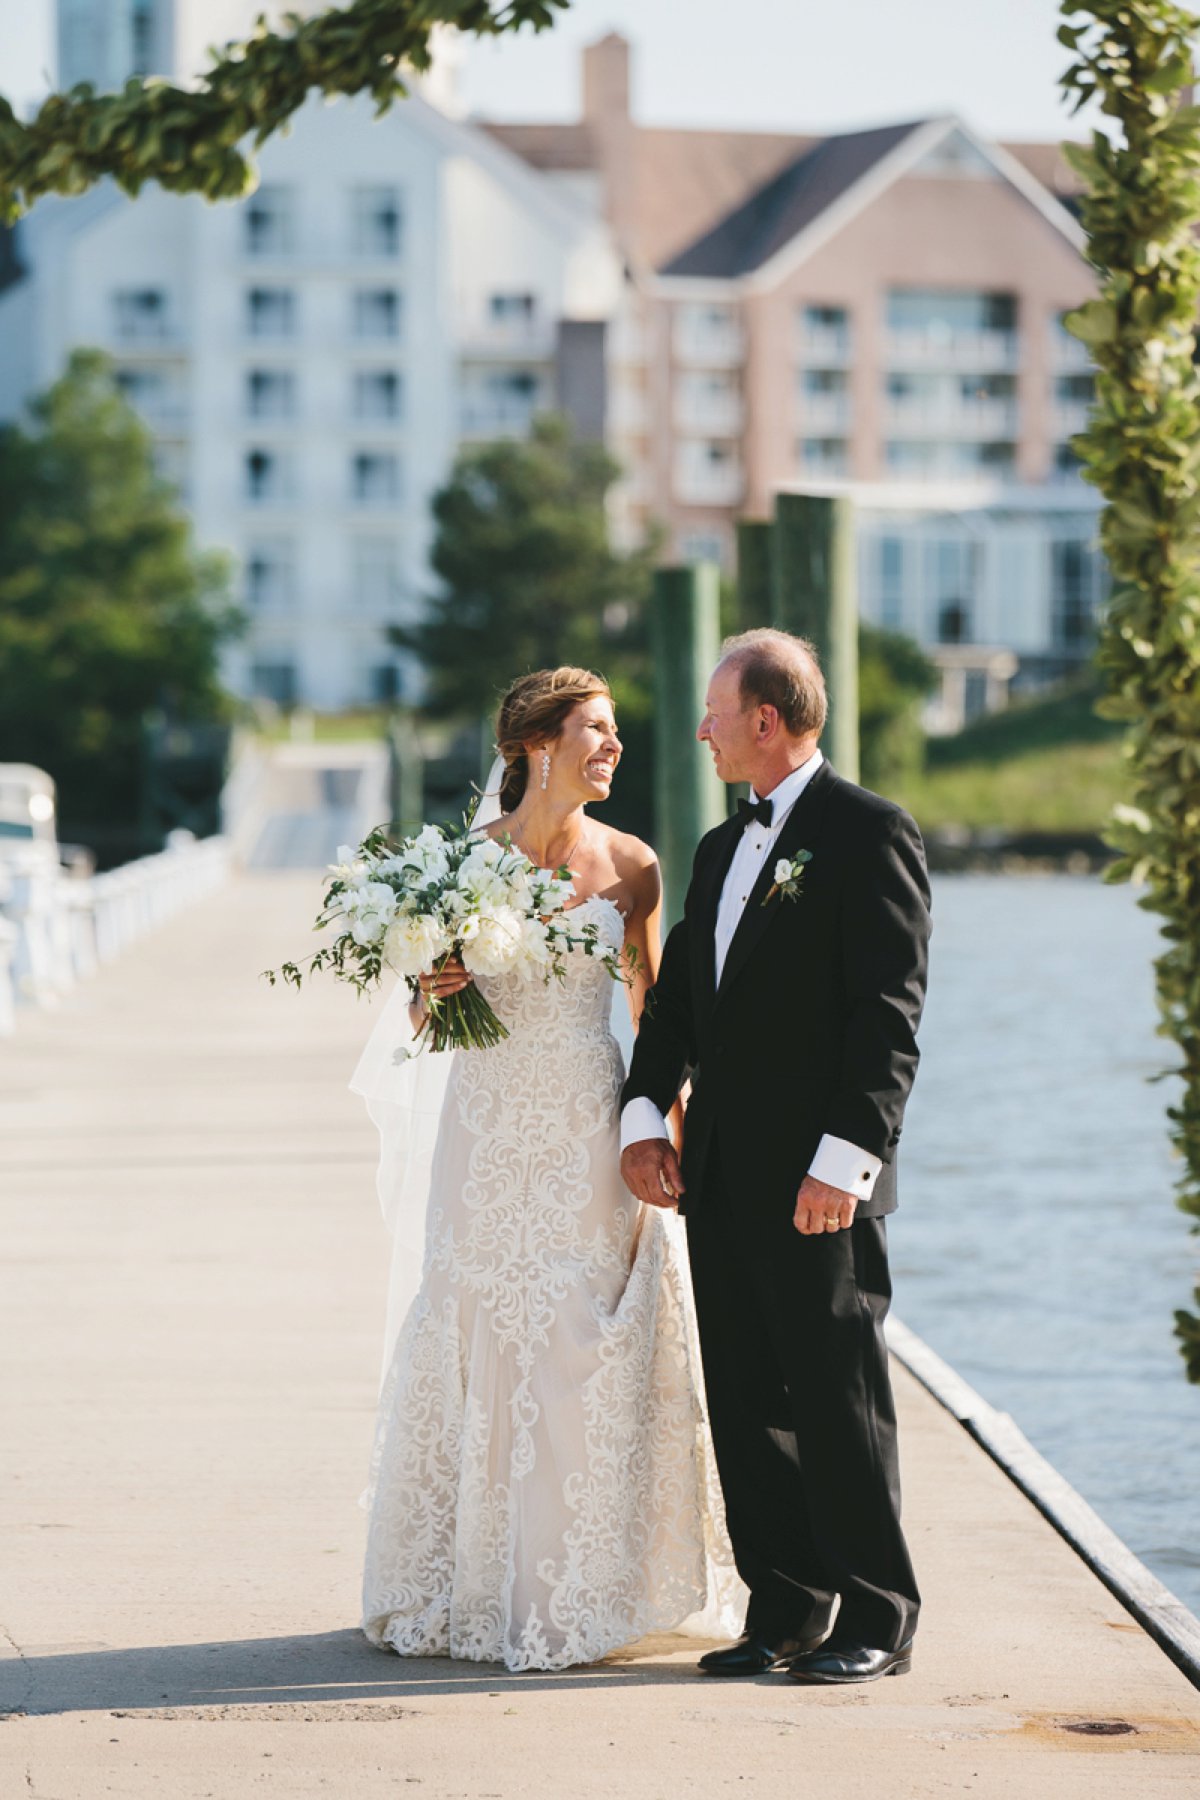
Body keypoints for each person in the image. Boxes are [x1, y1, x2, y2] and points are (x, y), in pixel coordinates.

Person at [355, 666, 736, 1673]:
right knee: (482, 1322)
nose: (614, 748)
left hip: (587, 1123)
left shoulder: (636, 866)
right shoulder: (457, 865)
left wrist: (668, 1127)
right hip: (485, 1130)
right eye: (596, 731)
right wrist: (436, 987)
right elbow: (425, 1019)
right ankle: (478, 1584)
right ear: (535, 743)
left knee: (582, 1333)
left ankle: (589, 1585)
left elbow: (655, 1012)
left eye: (614, 733)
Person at [620, 628, 931, 1686]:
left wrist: (843, 1166)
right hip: (716, 1172)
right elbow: (676, 1009)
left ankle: (878, 1615)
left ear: (764, 719)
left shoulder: (869, 832)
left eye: (716, 711)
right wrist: (641, 1115)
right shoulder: (717, 847)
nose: (700, 729)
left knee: (838, 1395)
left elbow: (886, 1019)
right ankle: (787, 1608)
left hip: (820, 1182)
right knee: (748, 1393)